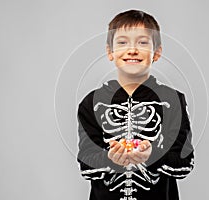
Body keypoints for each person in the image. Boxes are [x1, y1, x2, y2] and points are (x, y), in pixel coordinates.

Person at [77, 9, 194, 200]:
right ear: (110, 52)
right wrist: (110, 159)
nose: (132, 49)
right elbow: (86, 166)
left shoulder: (172, 101)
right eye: (122, 42)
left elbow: (184, 164)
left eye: (142, 42)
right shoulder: (92, 103)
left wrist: (153, 155)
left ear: (156, 53)